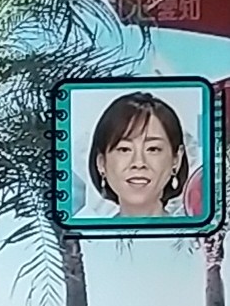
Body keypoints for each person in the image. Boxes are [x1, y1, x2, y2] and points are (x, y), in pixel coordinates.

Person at [77, 91, 189, 219]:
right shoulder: (81, 231)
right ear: (101, 163)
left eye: (153, 149)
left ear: (176, 160)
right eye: (124, 149)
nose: (139, 163)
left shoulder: (196, 231)